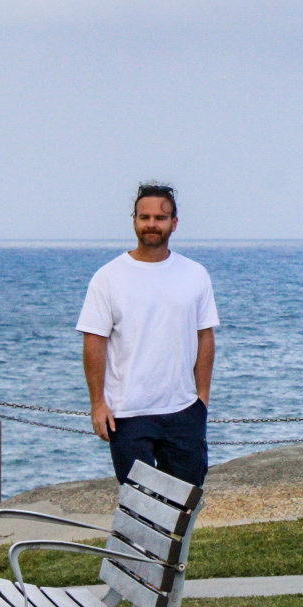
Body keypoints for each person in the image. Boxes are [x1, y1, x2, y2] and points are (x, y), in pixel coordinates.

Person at [76, 182, 218, 486]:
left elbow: (205, 337)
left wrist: (202, 399)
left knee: (184, 501)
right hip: (127, 413)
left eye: (160, 218)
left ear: (174, 223)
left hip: (183, 410)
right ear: (135, 221)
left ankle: (177, 539)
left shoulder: (195, 274)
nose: (151, 224)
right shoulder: (108, 277)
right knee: (138, 504)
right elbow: (94, 342)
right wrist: (97, 403)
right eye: (144, 217)